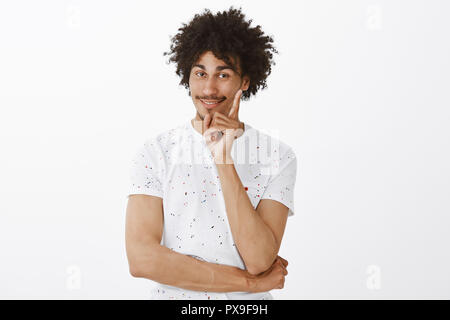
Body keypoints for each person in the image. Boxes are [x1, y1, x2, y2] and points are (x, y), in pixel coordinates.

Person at [125, 6, 297, 300]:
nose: (209, 88)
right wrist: (251, 284)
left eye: (223, 74)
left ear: (245, 81)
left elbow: (259, 260)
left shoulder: (276, 155)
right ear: (187, 77)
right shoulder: (156, 152)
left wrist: (224, 160)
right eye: (200, 73)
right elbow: (142, 260)